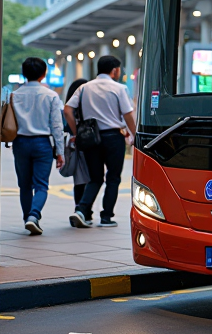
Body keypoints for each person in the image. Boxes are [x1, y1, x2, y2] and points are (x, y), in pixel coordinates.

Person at [65, 56, 136, 228]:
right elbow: (127, 114)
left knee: (95, 178)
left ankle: (81, 210)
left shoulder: (84, 87)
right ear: (114, 70)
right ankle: (106, 217)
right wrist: (135, 134)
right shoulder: (119, 88)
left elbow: (67, 110)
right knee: (113, 177)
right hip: (113, 137)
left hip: (91, 138)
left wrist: (77, 132)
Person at [9, 57, 65, 235]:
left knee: (24, 185)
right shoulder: (51, 95)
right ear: (44, 74)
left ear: (24, 73)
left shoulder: (14, 95)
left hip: (20, 142)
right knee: (41, 185)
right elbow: (57, 125)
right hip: (42, 143)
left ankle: (28, 218)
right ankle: (34, 216)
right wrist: (60, 151)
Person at [63, 77, 90, 208]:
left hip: (75, 146)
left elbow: (65, 127)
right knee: (89, 179)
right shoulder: (84, 107)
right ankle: (82, 210)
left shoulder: (70, 108)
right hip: (87, 144)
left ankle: (79, 207)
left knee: (79, 180)